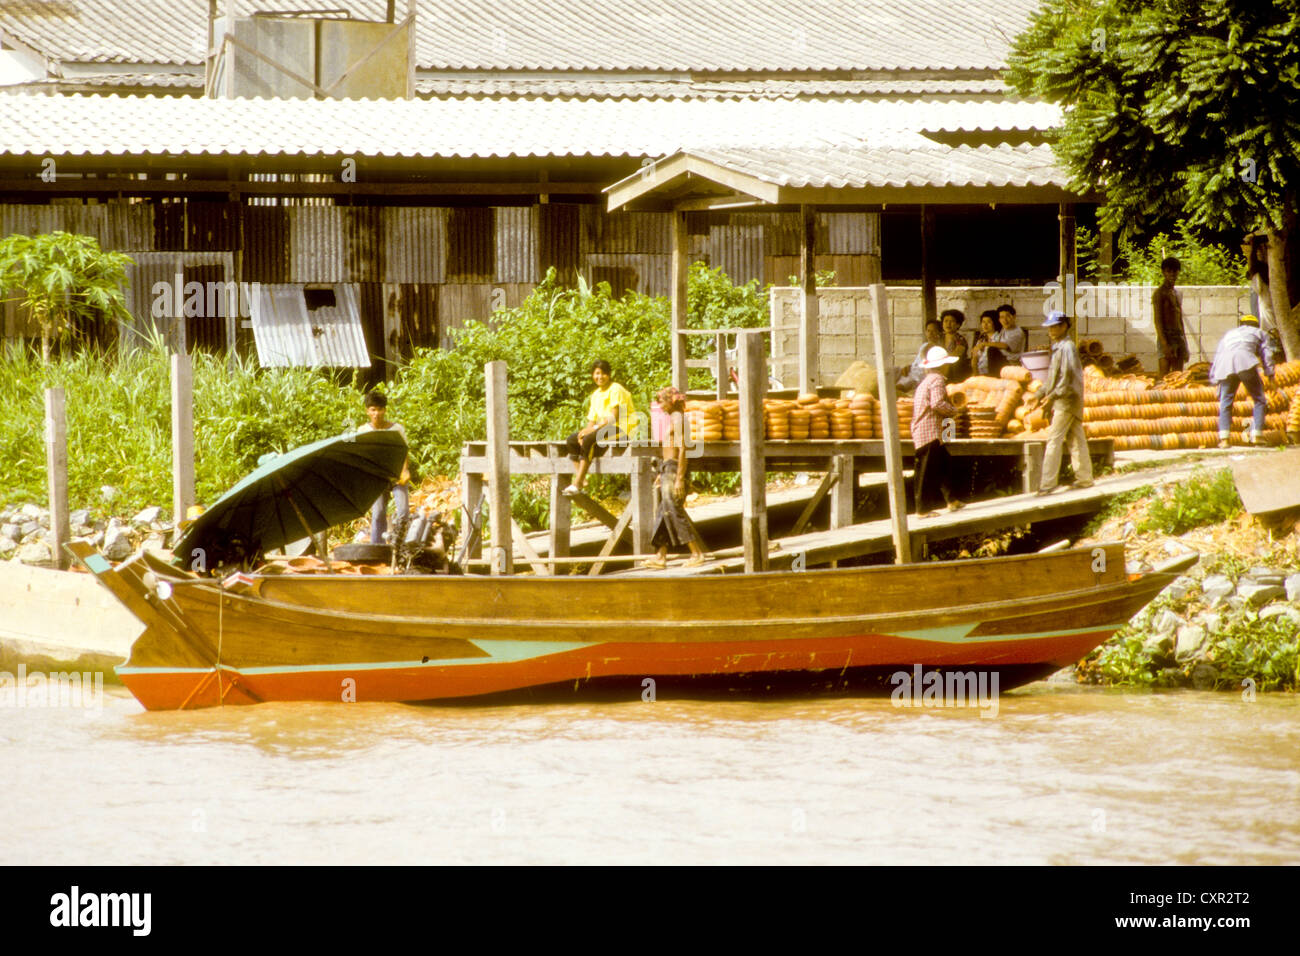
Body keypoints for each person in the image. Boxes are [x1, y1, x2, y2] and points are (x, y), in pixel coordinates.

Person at [641, 386, 709, 569]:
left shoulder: (678, 418)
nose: (660, 406)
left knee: (672, 509)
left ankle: (696, 553)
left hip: (674, 470)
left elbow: (683, 451)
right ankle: (661, 556)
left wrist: (679, 477)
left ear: (671, 401)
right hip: (668, 469)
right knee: (663, 511)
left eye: (662, 401)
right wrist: (661, 473)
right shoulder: (674, 418)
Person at [1030, 311, 1093, 495]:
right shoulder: (1058, 347)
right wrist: (1039, 394)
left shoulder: (1067, 347)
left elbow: (1067, 377)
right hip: (1066, 399)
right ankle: (1085, 478)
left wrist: (1052, 396)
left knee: (1054, 440)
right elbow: (1052, 378)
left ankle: (1047, 484)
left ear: (1064, 326)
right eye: (1049, 326)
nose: (1051, 330)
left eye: (1055, 326)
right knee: (1076, 439)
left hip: (1066, 400)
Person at [564, 359, 637, 496]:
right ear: (592, 375)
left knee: (590, 439)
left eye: (603, 374)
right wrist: (584, 432)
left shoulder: (616, 389)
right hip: (604, 429)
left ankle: (577, 482)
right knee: (572, 440)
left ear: (609, 375)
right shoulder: (596, 394)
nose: (600, 377)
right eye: (597, 374)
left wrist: (592, 430)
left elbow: (614, 416)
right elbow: (592, 419)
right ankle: (583, 479)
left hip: (622, 429)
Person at [911, 346, 964, 518]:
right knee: (925, 472)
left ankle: (952, 500)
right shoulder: (937, 380)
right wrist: (956, 411)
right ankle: (922, 509)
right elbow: (937, 404)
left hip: (927, 431)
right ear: (943, 366)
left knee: (944, 465)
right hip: (929, 432)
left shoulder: (925, 381)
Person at [1210, 314, 1275, 447]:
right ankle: (1257, 435)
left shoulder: (1229, 334)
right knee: (1259, 399)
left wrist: (1215, 379)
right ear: (1256, 325)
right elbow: (1267, 354)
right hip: (1245, 362)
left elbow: (1218, 355)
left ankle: (1224, 440)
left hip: (1225, 365)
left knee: (1225, 402)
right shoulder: (1260, 333)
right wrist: (1270, 374)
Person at [358, 391, 410, 544]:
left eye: (380, 409)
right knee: (379, 513)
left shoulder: (397, 429)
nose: (376, 413)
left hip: (396, 474)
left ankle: (401, 548)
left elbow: (404, 450)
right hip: (377, 477)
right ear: (367, 411)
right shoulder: (363, 431)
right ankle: (377, 550)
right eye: (373, 409)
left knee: (403, 512)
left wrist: (404, 470)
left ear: (385, 410)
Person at [1152, 256, 1189, 376]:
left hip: (1178, 338)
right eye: (1168, 271)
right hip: (1166, 337)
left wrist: (1185, 345)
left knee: (1178, 376)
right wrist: (1164, 344)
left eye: (1174, 271)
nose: (1172, 274)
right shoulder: (1159, 294)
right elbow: (1158, 321)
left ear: (1178, 272)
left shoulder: (1178, 294)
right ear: (1163, 272)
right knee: (1164, 376)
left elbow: (1180, 320)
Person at [896, 318, 944, 393]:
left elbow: (927, 366)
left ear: (939, 333)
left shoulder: (938, 349)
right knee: (891, 371)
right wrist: (909, 366)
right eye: (928, 331)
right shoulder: (924, 345)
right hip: (911, 371)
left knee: (899, 387)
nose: (930, 334)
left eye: (933, 331)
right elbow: (917, 361)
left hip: (918, 377)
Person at [971, 309, 1008, 378]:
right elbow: (975, 358)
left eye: (989, 322)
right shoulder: (981, 340)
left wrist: (985, 344)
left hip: (994, 372)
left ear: (995, 323)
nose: (985, 325)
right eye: (983, 322)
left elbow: (1005, 346)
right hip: (980, 372)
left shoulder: (1000, 336)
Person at [940, 309, 972, 382]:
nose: (948, 324)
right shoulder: (940, 338)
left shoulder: (960, 339)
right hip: (941, 365)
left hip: (956, 368)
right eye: (946, 321)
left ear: (958, 325)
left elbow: (957, 354)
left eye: (952, 321)